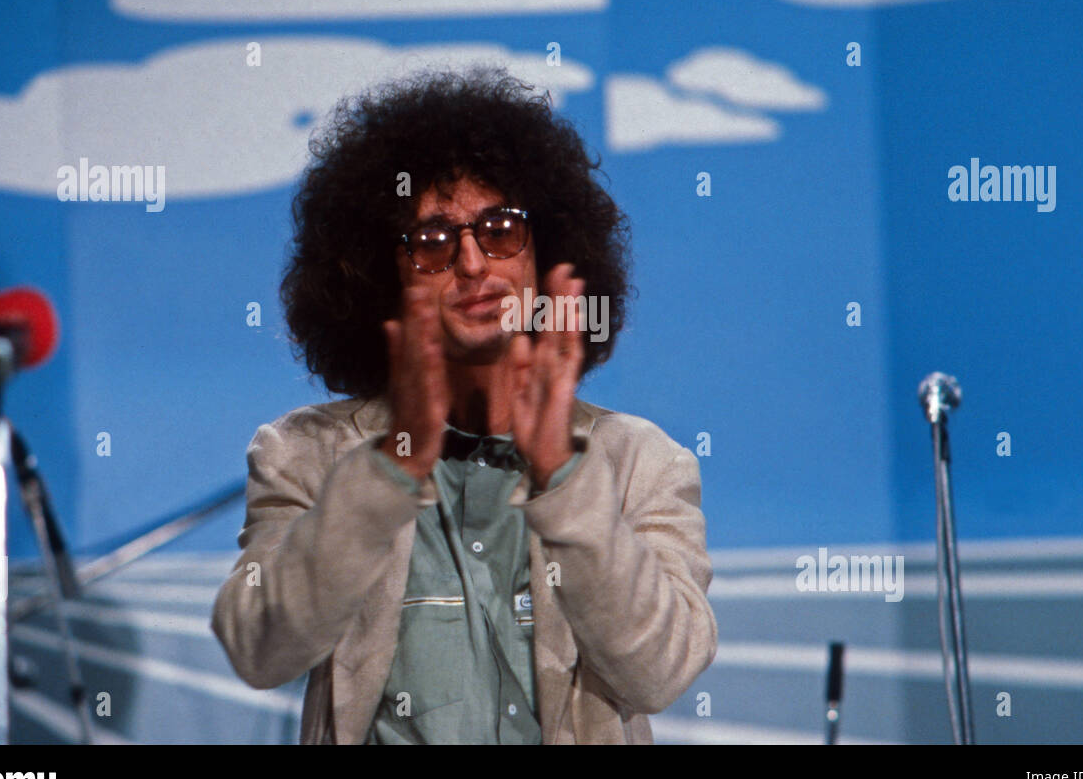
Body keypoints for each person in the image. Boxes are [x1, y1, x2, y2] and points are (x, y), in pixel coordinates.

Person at [211, 66, 717, 744]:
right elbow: (257, 644)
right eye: (434, 242)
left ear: (546, 253)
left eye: (500, 228)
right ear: (378, 276)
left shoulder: (640, 462)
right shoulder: (305, 455)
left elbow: (660, 671)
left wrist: (564, 481)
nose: (474, 263)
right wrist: (389, 470)